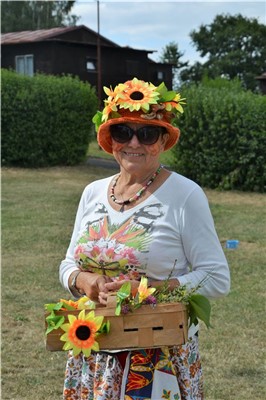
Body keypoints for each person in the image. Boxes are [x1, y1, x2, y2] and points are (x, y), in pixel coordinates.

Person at [59, 77, 230, 400]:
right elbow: (68, 262)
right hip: (93, 350)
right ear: (110, 139)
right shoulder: (92, 192)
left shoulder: (185, 195)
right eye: (123, 132)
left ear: (163, 141)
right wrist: (84, 280)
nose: (134, 143)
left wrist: (149, 289)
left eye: (147, 133)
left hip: (155, 356)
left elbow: (216, 277)